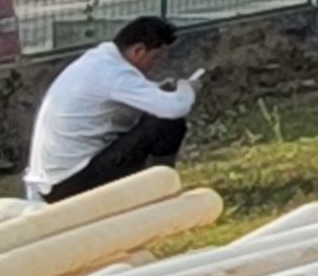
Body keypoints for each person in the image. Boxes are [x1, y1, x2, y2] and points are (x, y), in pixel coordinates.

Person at [26, 14, 199, 203]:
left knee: (155, 118)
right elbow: (174, 109)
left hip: (52, 182)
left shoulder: (99, 62)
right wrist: (187, 88)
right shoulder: (115, 74)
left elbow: (133, 94)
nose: (154, 65)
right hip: (68, 185)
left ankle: (155, 185)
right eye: (154, 57)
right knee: (166, 123)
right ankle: (163, 189)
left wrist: (157, 90)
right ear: (139, 50)